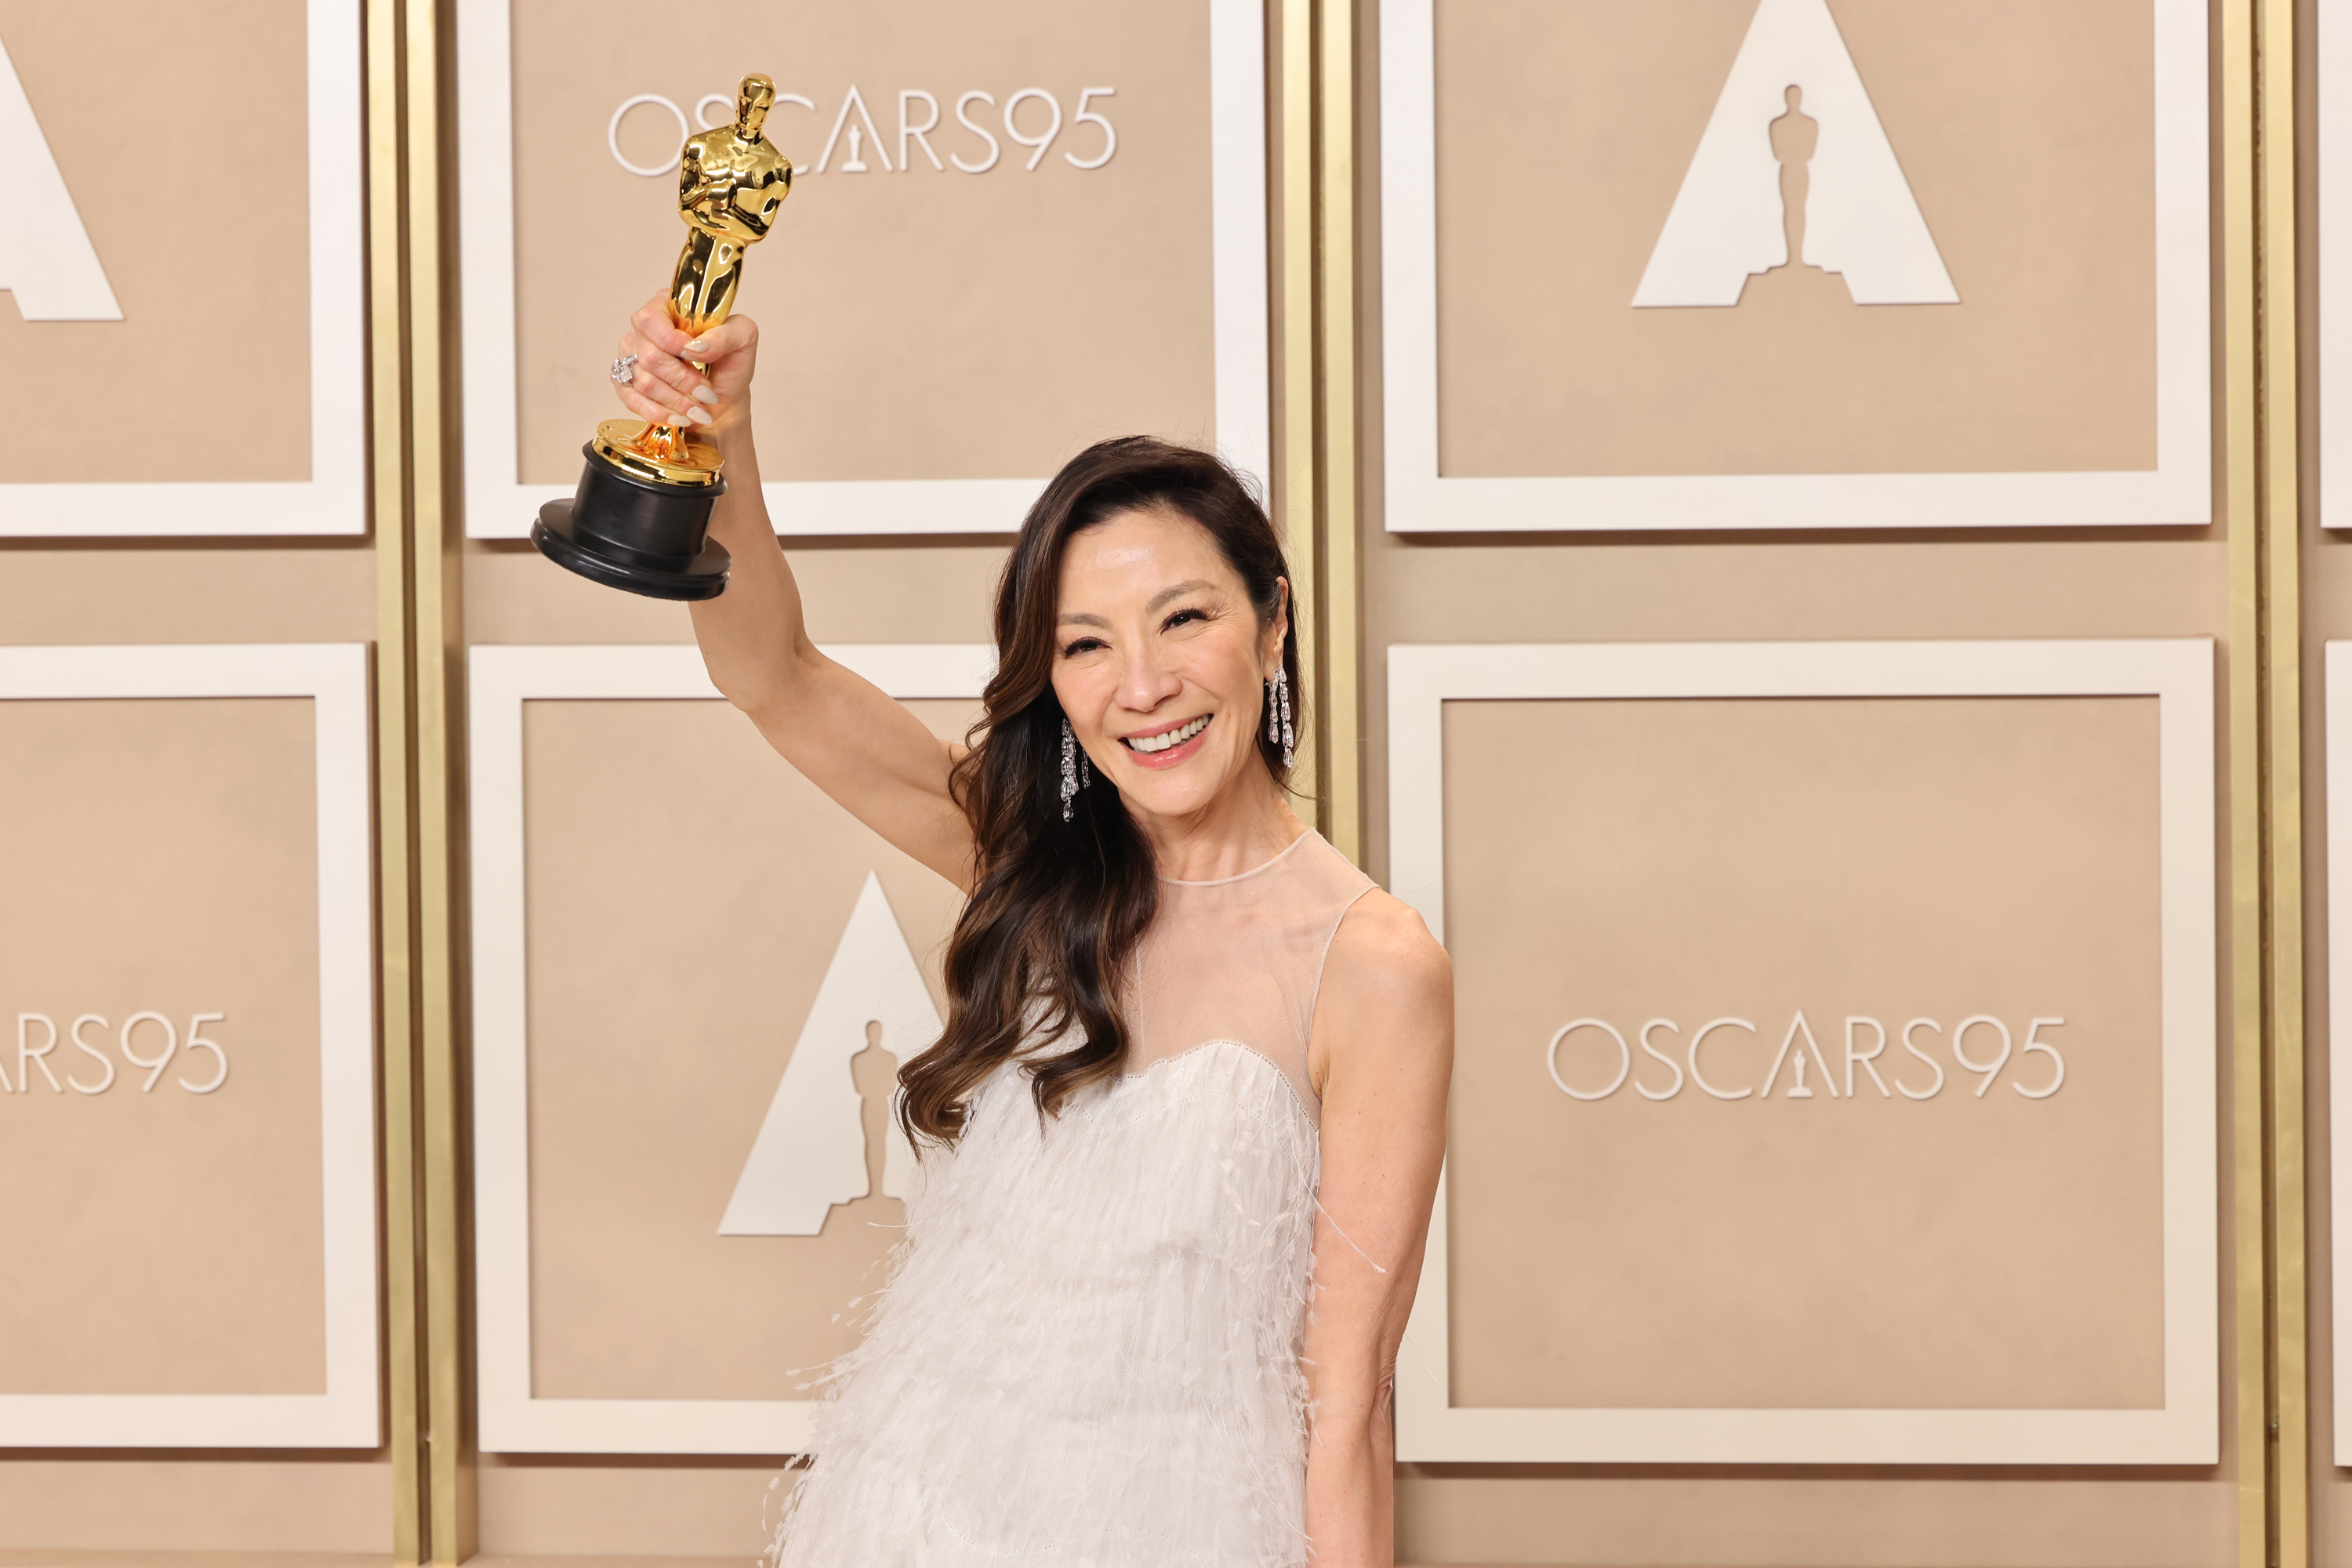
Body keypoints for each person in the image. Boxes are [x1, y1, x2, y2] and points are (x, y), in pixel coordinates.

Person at [608, 293, 1454, 1567]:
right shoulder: (1039, 863)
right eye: (1085, 645)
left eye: (1185, 619)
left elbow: (1347, 1404)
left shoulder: (1375, 968)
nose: (1143, 687)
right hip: (919, 1507)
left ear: (1272, 623)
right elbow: (771, 674)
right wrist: (719, 437)